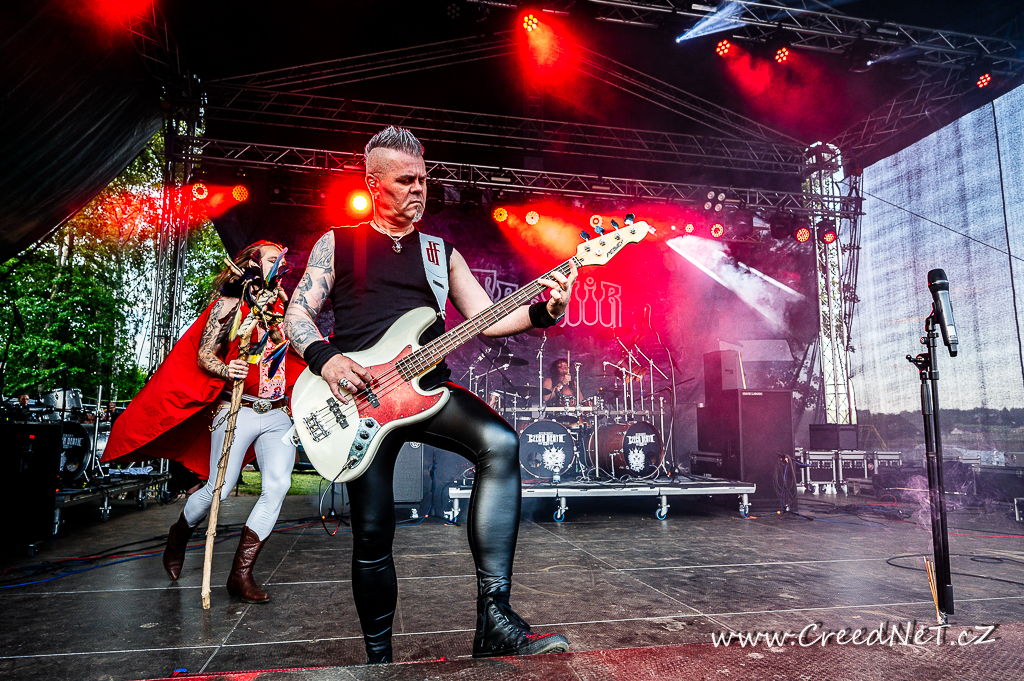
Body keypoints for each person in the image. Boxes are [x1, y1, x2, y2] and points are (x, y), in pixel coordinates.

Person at [283, 126, 577, 664]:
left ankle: (495, 621)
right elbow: (297, 313)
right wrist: (326, 359)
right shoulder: (338, 244)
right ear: (373, 184)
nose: (418, 188)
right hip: (360, 401)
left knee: (501, 443)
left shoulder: (440, 254)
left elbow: (488, 318)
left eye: (422, 178)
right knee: (373, 532)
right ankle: (379, 660)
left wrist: (545, 312)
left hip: (427, 391)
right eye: (405, 180)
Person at [104, 242, 306, 603]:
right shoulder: (228, 304)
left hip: (277, 412)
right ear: (253, 263)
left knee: (278, 486)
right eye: (273, 258)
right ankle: (179, 534)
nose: (281, 264)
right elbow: (203, 355)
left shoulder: (280, 303)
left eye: (283, 260)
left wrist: (272, 320)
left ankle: (240, 576)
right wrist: (228, 369)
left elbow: (284, 347)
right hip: (237, 408)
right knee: (219, 488)